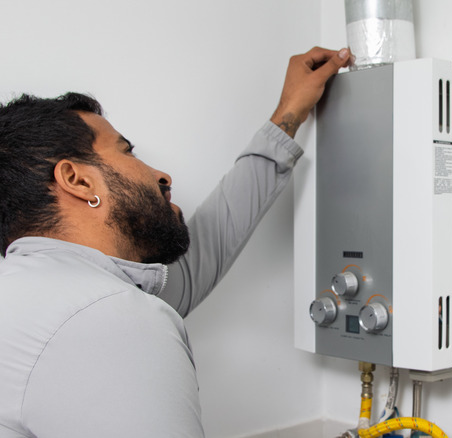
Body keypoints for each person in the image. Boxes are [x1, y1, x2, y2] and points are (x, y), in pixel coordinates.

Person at [0, 46, 352, 438]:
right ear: (79, 181)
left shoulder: (30, 294)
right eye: (126, 151)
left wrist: (289, 114)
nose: (161, 175)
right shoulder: (111, 319)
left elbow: (210, 243)